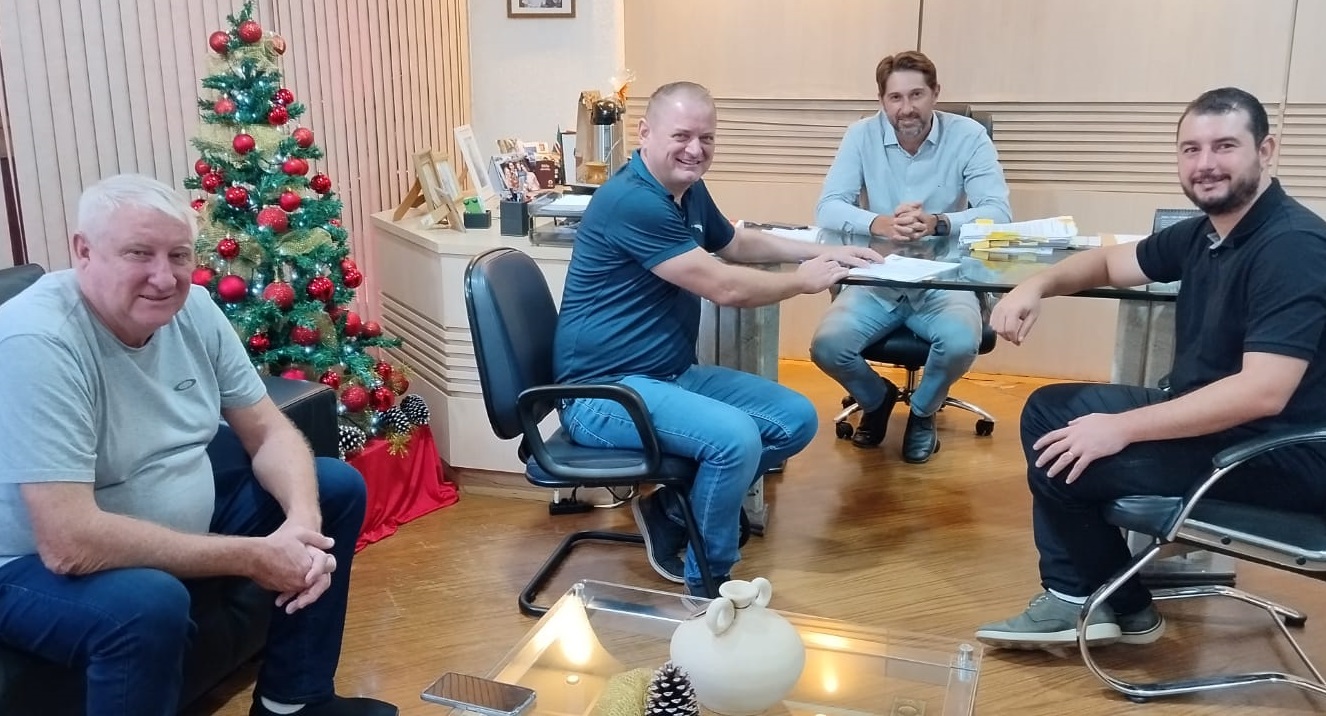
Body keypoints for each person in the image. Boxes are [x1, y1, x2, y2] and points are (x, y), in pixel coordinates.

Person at [0, 175, 396, 716]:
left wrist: (301, 525)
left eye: (179, 255)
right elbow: (68, 542)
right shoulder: (37, 342)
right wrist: (253, 556)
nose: (164, 278)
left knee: (333, 487)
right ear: (83, 251)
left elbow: (269, 430)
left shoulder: (195, 309)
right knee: (147, 606)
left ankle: (294, 703)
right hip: (24, 561)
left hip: (157, 503)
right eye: (139, 253)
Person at [975, 87, 1326, 650]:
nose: (1205, 163)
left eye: (1224, 146)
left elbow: (1263, 392)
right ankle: (1123, 606)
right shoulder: (1209, 231)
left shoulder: (1292, 246)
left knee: (1065, 455)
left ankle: (1083, 600)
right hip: (1225, 428)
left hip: (1280, 451)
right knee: (1049, 413)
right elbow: (1110, 262)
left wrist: (1120, 428)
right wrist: (1036, 285)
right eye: (1191, 149)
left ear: (1266, 151)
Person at [552, 81, 883, 597]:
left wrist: (821, 250)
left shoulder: (684, 190)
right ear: (644, 133)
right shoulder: (633, 201)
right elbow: (724, 286)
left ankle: (668, 510)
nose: (695, 149)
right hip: (602, 395)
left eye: (706, 138)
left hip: (666, 375)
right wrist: (804, 281)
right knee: (735, 440)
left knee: (795, 420)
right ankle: (709, 585)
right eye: (681, 136)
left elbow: (734, 243)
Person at [810, 50, 1011, 463]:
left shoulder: (969, 136)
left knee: (961, 342)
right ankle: (876, 398)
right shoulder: (860, 136)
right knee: (827, 347)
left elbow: (999, 213)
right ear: (882, 100)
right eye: (895, 97)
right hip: (877, 275)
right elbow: (828, 207)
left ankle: (923, 410)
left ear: (935, 93)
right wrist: (879, 223)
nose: (907, 108)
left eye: (917, 95)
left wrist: (939, 222)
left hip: (945, 278)